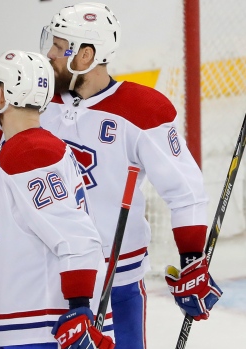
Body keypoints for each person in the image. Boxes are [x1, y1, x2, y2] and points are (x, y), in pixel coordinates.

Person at [38, 3, 222, 348]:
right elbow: (7, 146)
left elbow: (185, 190)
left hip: (116, 278)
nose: (49, 54)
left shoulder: (140, 111)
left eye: (60, 47)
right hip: (46, 275)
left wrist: (192, 258)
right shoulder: (40, 101)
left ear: (86, 56)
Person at [0, 49, 114, 349]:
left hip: (40, 328)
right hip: (21, 324)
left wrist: (79, 310)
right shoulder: (28, 146)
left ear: (1, 97)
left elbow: (77, 237)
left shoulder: (30, 154)